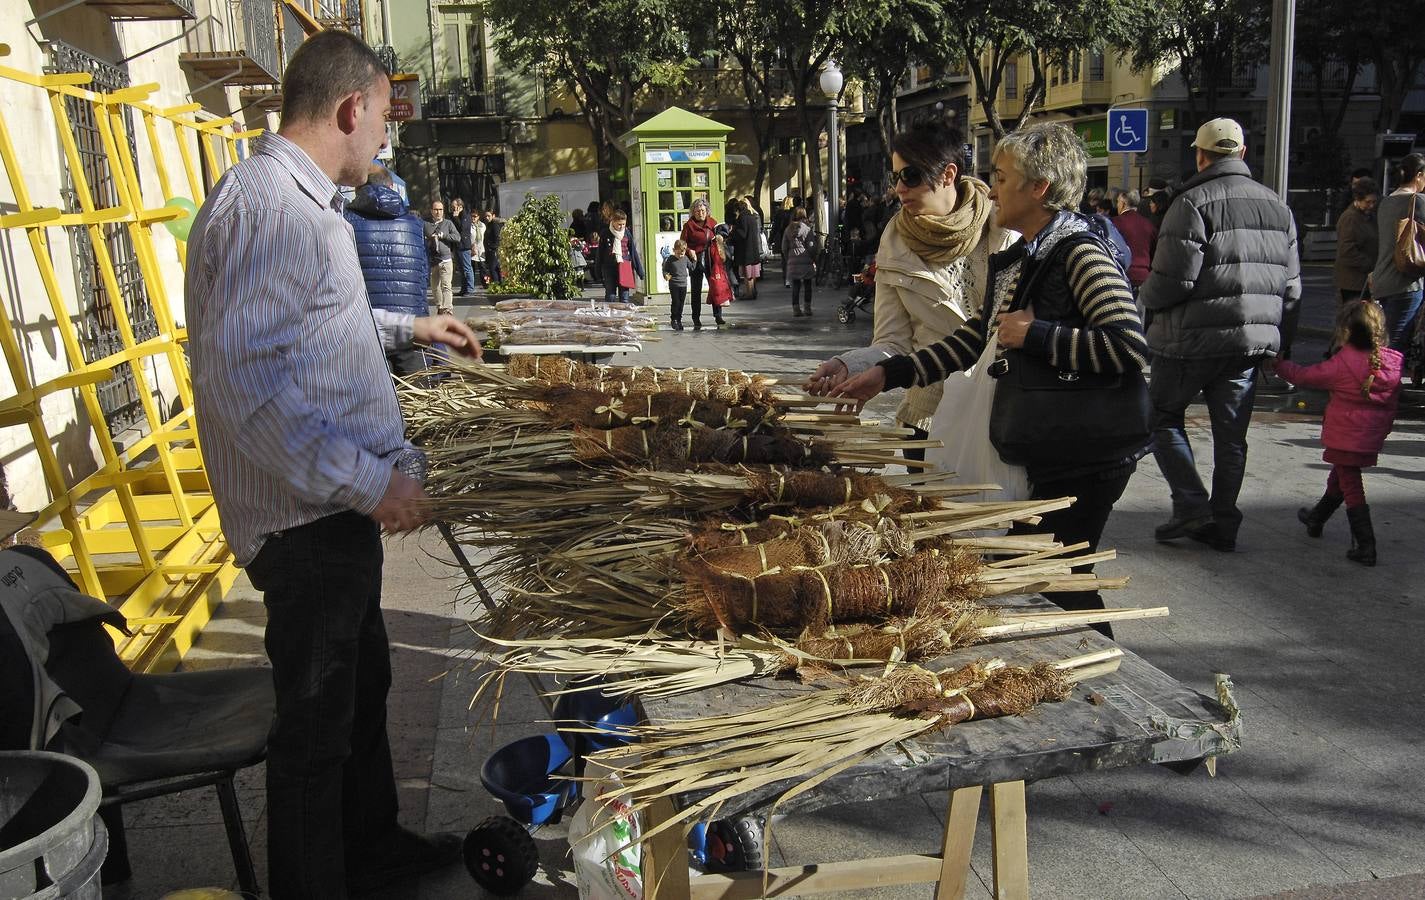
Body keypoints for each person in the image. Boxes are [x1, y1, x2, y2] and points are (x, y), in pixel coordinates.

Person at [182, 29, 481, 899]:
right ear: (353, 109)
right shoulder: (271, 209)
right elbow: (253, 395)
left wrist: (407, 329)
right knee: (314, 733)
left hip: (327, 518)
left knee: (359, 694)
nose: (384, 139)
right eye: (384, 120)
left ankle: (371, 849)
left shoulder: (300, 203)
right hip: (305, 522)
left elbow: (315, 328)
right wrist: (374, 484)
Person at [826, 121, 1149, 635]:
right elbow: (971, 342)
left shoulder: (1079, 253)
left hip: (1086, 453)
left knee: (1059, 574)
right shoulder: (1024, 257)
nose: (992, 187)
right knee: (1037, 569)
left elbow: (1128, 346)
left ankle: (1112, 680)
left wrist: (1038, 335)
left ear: (1038, 187)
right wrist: (885, 373)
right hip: (1042, 443)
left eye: (1002, 177)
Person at [804, 118, 1012, 467]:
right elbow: (893, 341)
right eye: (895, 177)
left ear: (948, 174)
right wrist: (850, 365)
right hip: (932, 415)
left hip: (1000, 414)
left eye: (911, 176)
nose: (899, 188)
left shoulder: (1004, 224)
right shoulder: (895, 239)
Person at [1139, 117, 1301, 553]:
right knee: (1232, 438)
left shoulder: (1191, 203)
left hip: (1189, 341)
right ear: (1242, 154)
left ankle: (1192, 504)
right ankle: (1224, 521)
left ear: (1200, 155)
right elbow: (1292, 288)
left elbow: (1172, 281)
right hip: (1247, 346)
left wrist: (1142, 298)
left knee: (1161, 418)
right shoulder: (1278, 207)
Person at [1270, 300, 1401, 566]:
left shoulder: (1344, 363)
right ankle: (1317, 517)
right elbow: (1393, 405)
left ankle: (1366, 545)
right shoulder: (1391, 364)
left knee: (1351, 486)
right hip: (1370, 436)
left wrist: (1278, 365)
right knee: (1341, 477)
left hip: (1346, 434)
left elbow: (1306, 376)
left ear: (1346, 331)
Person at [343, 165, 430, 375]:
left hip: (366, 329)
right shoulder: (415, 224)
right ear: (392, 187)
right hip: (411, 326)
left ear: (358, 189)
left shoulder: (344, 222)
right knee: (417, 401)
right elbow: (422, 278)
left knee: (375, 403)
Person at [1369, 153, 1425, 351]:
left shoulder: (1385, 202)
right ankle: (1387, 381)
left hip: (1382, 279)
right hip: (1406, 282)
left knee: (1386, 340)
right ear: (1418, 176)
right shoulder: (1417, 201)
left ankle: (1380, 377)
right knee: (1396, 346)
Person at [1335, 178, 1379, 303]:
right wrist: (1371, 265)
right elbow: (1347, 251)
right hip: (1353, 283)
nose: (1371, 206)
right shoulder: (1350, 218)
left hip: (1364, 280)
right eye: (1368, 202)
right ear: (1357, 199)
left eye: (1374, 202)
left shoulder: (1370, 216)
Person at [680, 198, 718, 328]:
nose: (700, 213)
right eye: (697, 211)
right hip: (695, 259)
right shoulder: (688, 226)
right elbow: (683, 243)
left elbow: (719, 239)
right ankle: (696, 318)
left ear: (707, 211)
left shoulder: (713, 223)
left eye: (702, 210)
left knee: (715, 287)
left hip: (710, 258)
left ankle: (718, 316)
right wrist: (689, 251)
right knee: (696, 290)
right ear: (693, 212)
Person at [1113, 189, 1158, 291]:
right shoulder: (1148, 224)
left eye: (1118, 202)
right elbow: (1155, 252)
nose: (1117, 205)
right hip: (1144, 278)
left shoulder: (1114, 223)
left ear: (1123, 204)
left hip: (1122, 276)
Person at [597, 209, 644, 303]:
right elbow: (600, 253)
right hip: (609, 268)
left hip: (625, 266)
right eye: (619, 224)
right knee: (610, 295)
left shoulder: (627, 233)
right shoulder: (605, 233)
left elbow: (633, 252)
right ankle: (611, 315)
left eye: (623, 224)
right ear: (613, 221)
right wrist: (598, 272)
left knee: (624, 296)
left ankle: (624, 315)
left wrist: (640, 271)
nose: (621, 226)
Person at [424, 199, 460, 315]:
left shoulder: (448, 223)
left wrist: (444, 236)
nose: (438, 212)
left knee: (446, 286)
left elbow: (457, 237)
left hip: (446, 259)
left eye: (440, 210)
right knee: (435, 288)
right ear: (431, 211)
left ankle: (448, 309)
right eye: (436, 210)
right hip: (433, 260)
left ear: (443, 211)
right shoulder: (426, 225)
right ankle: (440, 307)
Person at [781, 207, 817, 317]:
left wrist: (789, 258)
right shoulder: (807, 229)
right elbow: (811, 246)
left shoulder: (788, 229)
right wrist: (813, 257)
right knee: (807, 285)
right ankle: (807, 308)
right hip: (806, 260)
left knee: (796, 286)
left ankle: (796, 309)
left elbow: (784, 247)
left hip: (793, 261)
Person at [733, 198, 763, 299]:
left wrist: (733, 232)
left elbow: (742, 233)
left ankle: (749, 293)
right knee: (753, 273)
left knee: (747, 274)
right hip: (754, 248)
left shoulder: (742, 218)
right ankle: (753, 291)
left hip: (746, 249)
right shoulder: (752, 217)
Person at [663, 238, 694, 330]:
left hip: (683, 284)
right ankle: (674, 319)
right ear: (674, 250)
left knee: (681, 303)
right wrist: (665, 275)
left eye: (682, 253)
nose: (681, 255)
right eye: (678, 253)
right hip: (674, 284)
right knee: (676, 302)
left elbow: (692, 267)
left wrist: (694, 260)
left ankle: (679, 319)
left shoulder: (685, 258)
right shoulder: (670, 259)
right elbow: (665, 269)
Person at [449, 196, 475, 296]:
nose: (453, 209)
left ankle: (470, 289)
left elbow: (462, 229)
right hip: (456, 245)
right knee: (461, 269)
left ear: (460, 206)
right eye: (452, 207)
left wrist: (456, 217)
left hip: (464, 246)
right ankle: (463, 288)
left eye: (454, 207)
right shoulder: (454, 216)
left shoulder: (466, 216)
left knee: (467, 268)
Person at [482, 208, 504, 283]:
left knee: (493, 268)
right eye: (485, 216)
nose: (487, 218)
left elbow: (497, 238)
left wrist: (492, 247)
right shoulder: (489, 225)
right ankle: (499, 283)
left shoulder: (494, 225)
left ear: (493, 216)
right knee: (495, 268)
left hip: (493, 250)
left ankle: (496, 283)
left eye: (489, 216)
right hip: (490, 250)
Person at [470, 206, 488, 288]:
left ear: (478, 217)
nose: (473, 218)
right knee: (471, 269)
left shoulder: (482, 226)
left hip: (481, 249)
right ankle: (471, 284)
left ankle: (486, 283)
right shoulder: (469, 226)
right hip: (472, 249)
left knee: (483, 268)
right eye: (472, 216)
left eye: (475, 216)